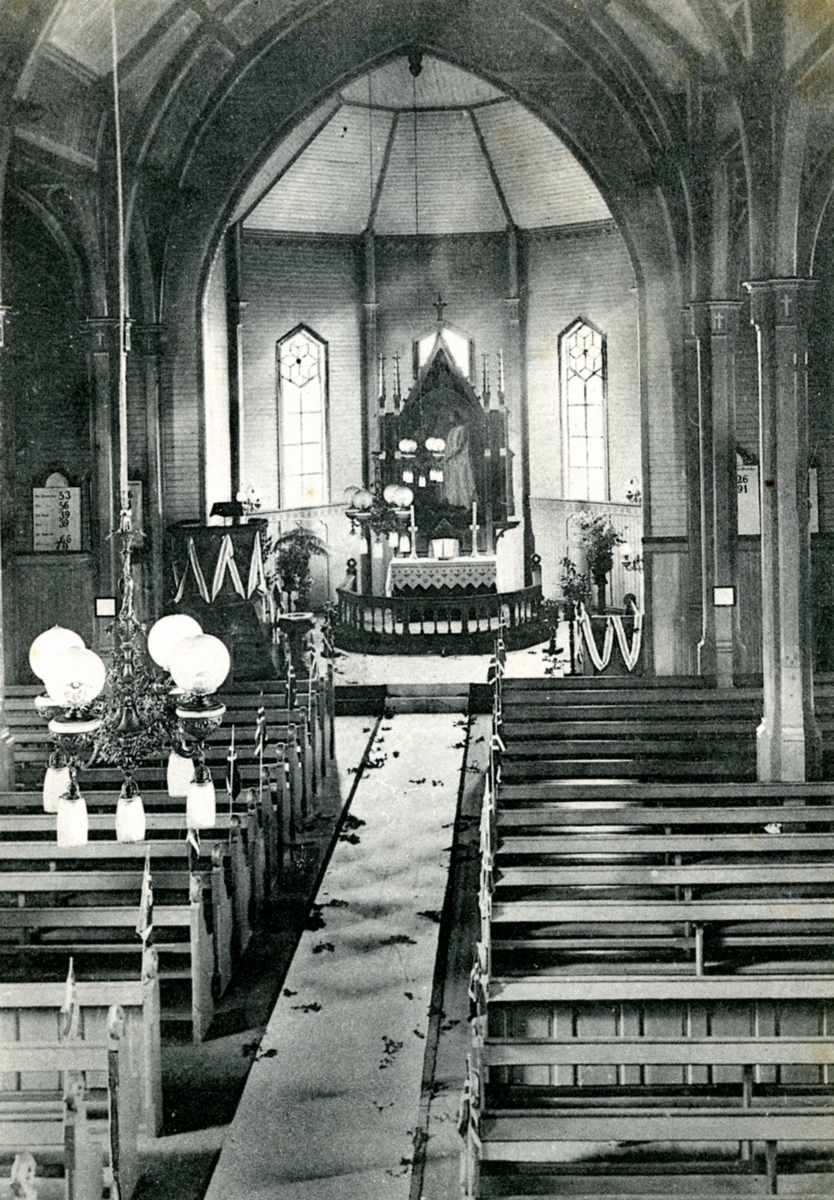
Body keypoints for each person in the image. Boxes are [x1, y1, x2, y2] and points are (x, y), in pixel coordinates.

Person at [442, 411, 476, 508]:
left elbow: (460, 446)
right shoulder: (452, 430)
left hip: (461, 461)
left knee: (462, 481)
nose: (450, 419)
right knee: (453, 482)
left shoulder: (462, 429)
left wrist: (449, 456)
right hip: (452, 462)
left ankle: (466, 505)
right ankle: (454, 504)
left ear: (456, 417)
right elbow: (448, 446)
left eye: (451, 416)